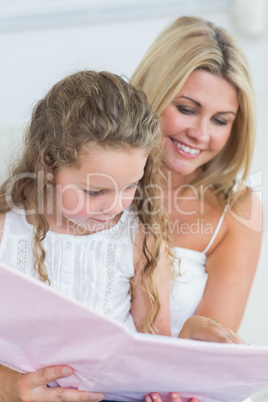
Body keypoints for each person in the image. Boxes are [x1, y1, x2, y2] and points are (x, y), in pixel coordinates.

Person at [0, 69, 243, 402]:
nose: (114, 207)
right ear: (48, 164)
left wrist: (164, 384)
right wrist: (10, 388)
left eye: (130, 187)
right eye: (94, 190)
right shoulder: (6, 230)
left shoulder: (139, 239)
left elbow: (154, 352)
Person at [131, 15, 262, 402]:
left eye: (221, 120)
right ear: (154, 93)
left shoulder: (237, 210)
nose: (201, 134)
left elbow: (211, 344)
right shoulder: (92, 181)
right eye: (187, 109)